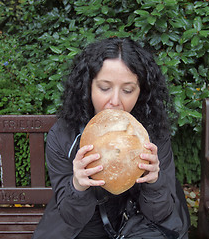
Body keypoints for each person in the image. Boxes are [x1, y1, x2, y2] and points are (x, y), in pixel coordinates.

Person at [32, 37, 190, 239]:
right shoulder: (63, 135)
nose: (114, 101)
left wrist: (154, 183)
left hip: (140, 223)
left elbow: (160, 213)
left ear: (141, 92)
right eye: (105, 88)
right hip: (85, 227)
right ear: (88, 87)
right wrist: (78, 186)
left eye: (127, 90)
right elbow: (71, 217)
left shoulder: (152, 134)